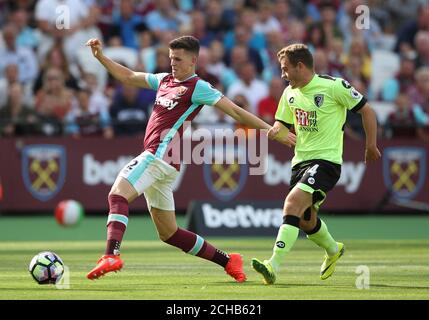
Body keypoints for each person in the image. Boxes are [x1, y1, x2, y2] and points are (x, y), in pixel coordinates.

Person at [85, 35, 295, 282]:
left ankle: (111, 254)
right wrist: (101, 57)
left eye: (178, 59)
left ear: (193, 60)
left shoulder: (199, 87)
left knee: (117, 195)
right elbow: (129, 76)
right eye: (171, 57)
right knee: (169, 233)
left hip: (159, 156)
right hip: (166, 162)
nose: (172, 63)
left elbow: (235, 111)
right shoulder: (164, 80)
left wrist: (272, 131)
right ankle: (228, 261)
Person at [251, 43, 381, 285]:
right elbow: (281, 125)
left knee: (291, 203)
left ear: (300, 66)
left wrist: (370, 145)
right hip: (299, 162)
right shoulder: (289, 93)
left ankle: (273, 264)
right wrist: (274, 131)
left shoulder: (333, 86)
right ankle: (333, 249)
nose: (282, 74)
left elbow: (367, 111)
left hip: (326, 162)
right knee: (304, 220)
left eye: (285, 69)